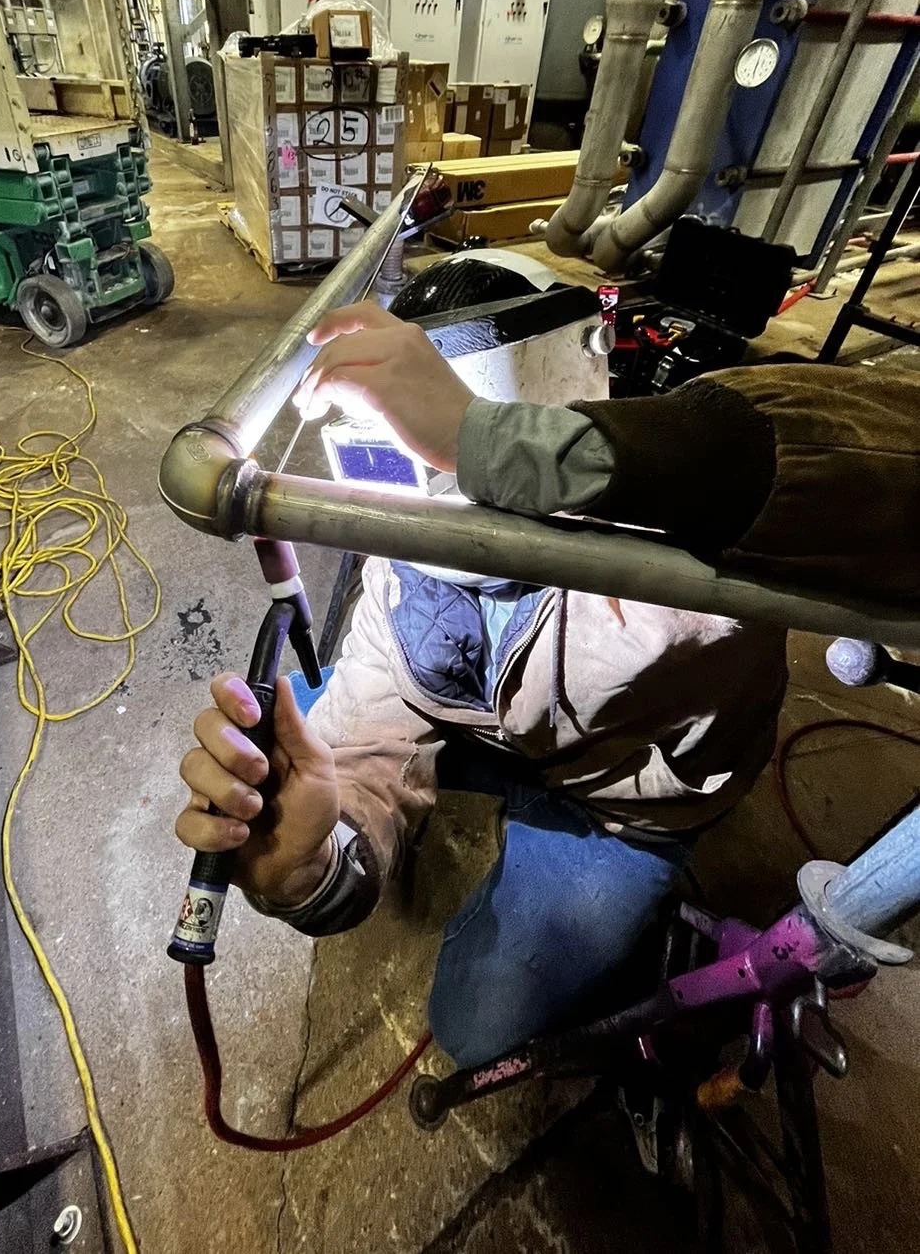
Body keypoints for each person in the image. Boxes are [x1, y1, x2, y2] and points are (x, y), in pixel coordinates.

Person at [175, 299, 920, 1069]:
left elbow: (880, 463)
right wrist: (311, 867)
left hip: (623, 804)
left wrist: (496, 446)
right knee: (324, 714)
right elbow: (369, 716)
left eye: (438, 449)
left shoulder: (689, 565)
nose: (418, 492)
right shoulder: (403, 569)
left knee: (470, 1025)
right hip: (496, 729)